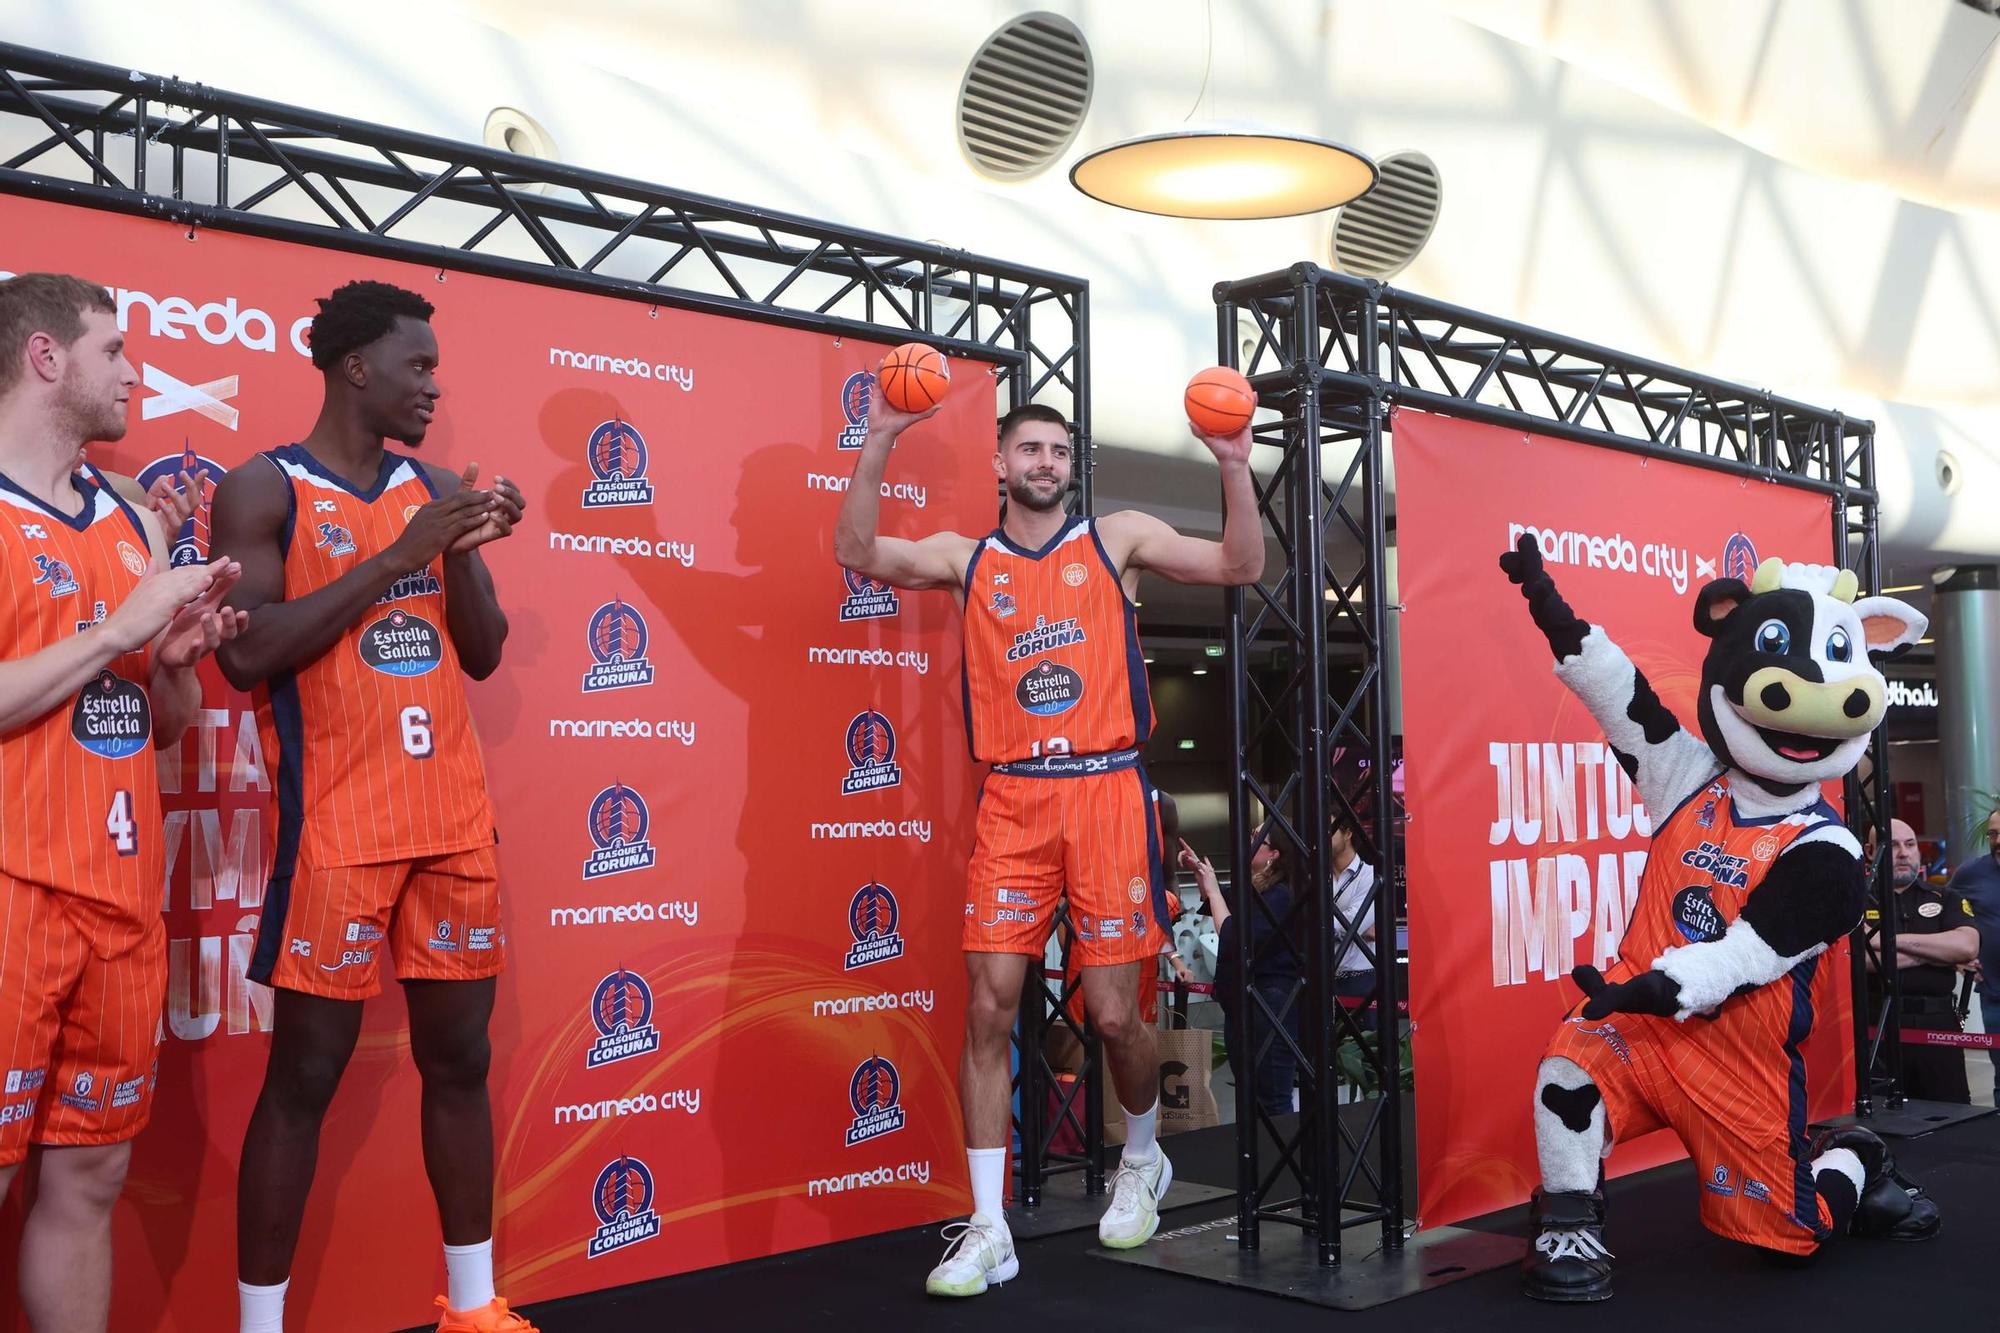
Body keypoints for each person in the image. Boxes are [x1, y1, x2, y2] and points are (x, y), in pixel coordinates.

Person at [833, 396, 1261, 1297]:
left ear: (1072, 466)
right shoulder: (969, 559)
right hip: (1015, 797)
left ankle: (1143, 1158)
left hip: (1107, 789)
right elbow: (858, 552)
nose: (1046, 459)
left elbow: (1238, 563)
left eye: (1059, 449)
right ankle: (988, 1225)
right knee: (988, 1007)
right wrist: (876, 439)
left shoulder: (1118, 539)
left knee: (1113, 1015)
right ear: (998, 463)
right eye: (1029, 446)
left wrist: (1232, 462)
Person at [207, 281, 530, 1333]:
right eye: (418, 367)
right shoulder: (265, 486)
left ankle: (473, 1309)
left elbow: (479, 655)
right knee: (303, 1075)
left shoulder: (433, 486)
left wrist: (463, 544)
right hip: (339, 829)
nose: (434, 386)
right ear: (355, 367)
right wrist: (396, 555)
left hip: (452, 824)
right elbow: (249, 652)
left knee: (462, 1060)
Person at [1500, 537, 1937, 1302]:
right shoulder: (1688, 778)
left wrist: (1651, 987)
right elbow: (1622, 699)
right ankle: (1568, 1218)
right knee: (1572, 1057)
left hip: (1738, 1063)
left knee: (1792, 1243)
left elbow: (1745, 955)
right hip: (1640, 1034)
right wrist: (1551, 607)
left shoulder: (1825, 846)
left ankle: (1853, 1159)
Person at [0, 272, 246, 1333]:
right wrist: (113, 633)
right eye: (114, 351)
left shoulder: (129, 514)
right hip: (12, 895)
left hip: (121, 902)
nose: (136, 374)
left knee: (90, 1178)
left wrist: (176, 662)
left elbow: (157, 725)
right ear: (45, 358)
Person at [1184, 825, 1300, 1118]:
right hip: (1243, 1003)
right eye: (1250, 834)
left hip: (1271, 1004)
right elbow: (1220, 902)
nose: (1249, 841)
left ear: (1274, 854)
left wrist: (1211, 889)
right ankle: (1256, 1159)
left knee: (1272, 1097)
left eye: (1258, 838)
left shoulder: (1281, 895)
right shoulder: (1253, 887)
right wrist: (1202, 877)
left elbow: (1232, 935)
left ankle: (1281, 1158)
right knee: (1249, 1094)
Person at [1864, 818, 1979, 1103]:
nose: (1904, 853)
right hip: (1877, 1025)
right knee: (1881, 1116)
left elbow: (1966, 947)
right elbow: (1862, 961)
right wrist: (1937, 955)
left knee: (1951, 1115)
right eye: (1891, 846)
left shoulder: (1946, 897)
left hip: (1938, 1024)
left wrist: (1883, 943)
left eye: (1910, 844)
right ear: (1870, 852)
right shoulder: (1858, 900)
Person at [1945, 805, 2000, 1088]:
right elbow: (1942, 916)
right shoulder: (1971, 874)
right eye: (1993, 834)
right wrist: (1957, 958)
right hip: (1995, 996)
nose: (1998, 841)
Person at [1328, 813, 1379, 1031]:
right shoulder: (1316, 877)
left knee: (1365, 1056)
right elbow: (1307, 924)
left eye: (1329, 830)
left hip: (1361, 978)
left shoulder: (1368, 875)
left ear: (1348, 833)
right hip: (1325, 978)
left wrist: (1324, 926)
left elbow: (1351, 924)